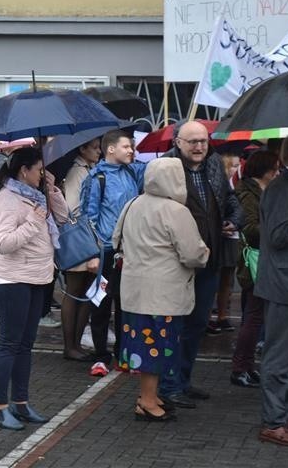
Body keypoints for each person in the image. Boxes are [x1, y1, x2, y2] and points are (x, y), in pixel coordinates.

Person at [113, 158, 209, 421]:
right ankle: (146, 401)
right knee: (158, 347)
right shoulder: (176, 211)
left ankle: (150, 396)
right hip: (163, 294)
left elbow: (115, 239)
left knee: (142, 346)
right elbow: (193, 254)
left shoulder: (133, 204)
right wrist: (206, 252)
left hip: (134, 291)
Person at [159, 120, 244, 409]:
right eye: (192, 141)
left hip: (209, 259)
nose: (199, 147)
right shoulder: (165, 168)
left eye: (203, 141)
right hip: (176, 263)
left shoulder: (214, 165)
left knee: (196, 325)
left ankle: (183, 380)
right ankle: (167, 386)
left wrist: (234, 219)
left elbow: (231, 200)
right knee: (174, 326)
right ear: (177, 142)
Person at [0, 147, 69, 430]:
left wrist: (52, 187)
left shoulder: (36, 195)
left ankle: (20, 403)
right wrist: (34, 221)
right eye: (39, 170)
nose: (41, 174)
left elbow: (62, 217)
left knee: (25, 344)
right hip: (13, 280)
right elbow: (4, 243)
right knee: (9, 344)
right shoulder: (7, 199)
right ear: (24, 170)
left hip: (38, 278)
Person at [80, 130, 146, 377]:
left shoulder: (132, 171)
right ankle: (100, 356)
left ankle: (122, 354)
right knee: (101, 305)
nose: (131, 150)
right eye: (126, 146)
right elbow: (89, 217)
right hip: (105, 251)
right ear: (110, 149)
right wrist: (93, 254)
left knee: (125, 304)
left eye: (132, 147)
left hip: (129, 251)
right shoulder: (96, 178)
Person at [255, 131, 288, 447]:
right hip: (285, 285)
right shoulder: (283, 188)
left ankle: (283, 416)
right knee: (280, 359)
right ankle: (274, 422)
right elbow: (278, 236)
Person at [230, 150, 279, 388]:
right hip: (254, 261)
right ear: (265, 170)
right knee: (253, 316)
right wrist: (277, 227)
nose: (277, 173)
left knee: (254, 315)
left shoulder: (261, 190)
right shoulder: (247, 192)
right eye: (275, 169)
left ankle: (246, 366)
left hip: (261, 259)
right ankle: (240, 368)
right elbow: (251, 228)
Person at [59, 137, 101, 360]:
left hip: (90, 238)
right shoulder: (77, 171)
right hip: (81, 237)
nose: (99, 151)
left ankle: (76, 344)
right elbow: (74, 207)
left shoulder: (93, 169)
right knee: (74, 290)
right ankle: (70, 345)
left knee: (87, 291)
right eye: (94, 148)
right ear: (82, 149)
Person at [207, 154, 241, 335]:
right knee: (213, 277)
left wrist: (234, 222)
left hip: (232, 235)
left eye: (237, 165)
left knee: (228, 278)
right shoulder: (215, 183)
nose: (236, 168)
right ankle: (208, 316)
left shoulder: (238, 184)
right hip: (217, 236)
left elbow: (236, 207)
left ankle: (222, 315)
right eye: (233, 165)